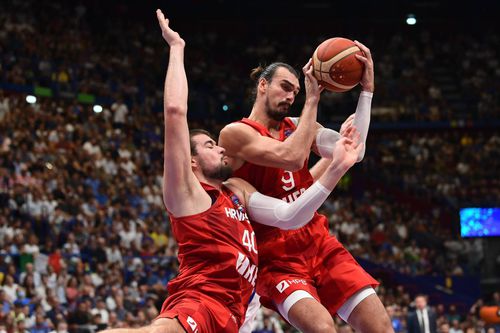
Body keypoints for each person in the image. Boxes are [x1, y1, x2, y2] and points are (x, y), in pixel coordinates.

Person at [100, 9, 366, 333]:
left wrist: (336, 166)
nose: (221, 147)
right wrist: (177, 48)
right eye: (210, 146)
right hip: (200, 301)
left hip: (238, 313)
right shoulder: (186, 193)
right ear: (192, 161)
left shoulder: (238, 189)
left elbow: (290, 216)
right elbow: (174, 111)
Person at [218, 42, 394, 332]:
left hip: (317, 240)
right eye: (284, 87)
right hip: (276, 257)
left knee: (381, 327)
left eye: (296, 92)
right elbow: (291, 157)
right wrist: (312, 100)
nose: (290, 96)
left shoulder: (300, 125)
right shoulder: (235, 133)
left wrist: (366, 92)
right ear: (262, 85)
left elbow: (354, 151)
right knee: (323, 328)